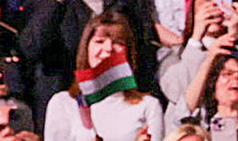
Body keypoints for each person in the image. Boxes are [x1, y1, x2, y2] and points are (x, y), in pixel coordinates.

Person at [41, 12, 163, 141]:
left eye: (118, 42)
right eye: (100, 41)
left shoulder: (149, 106)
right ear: (86, 48)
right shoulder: (63, 103)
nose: (108, 48)